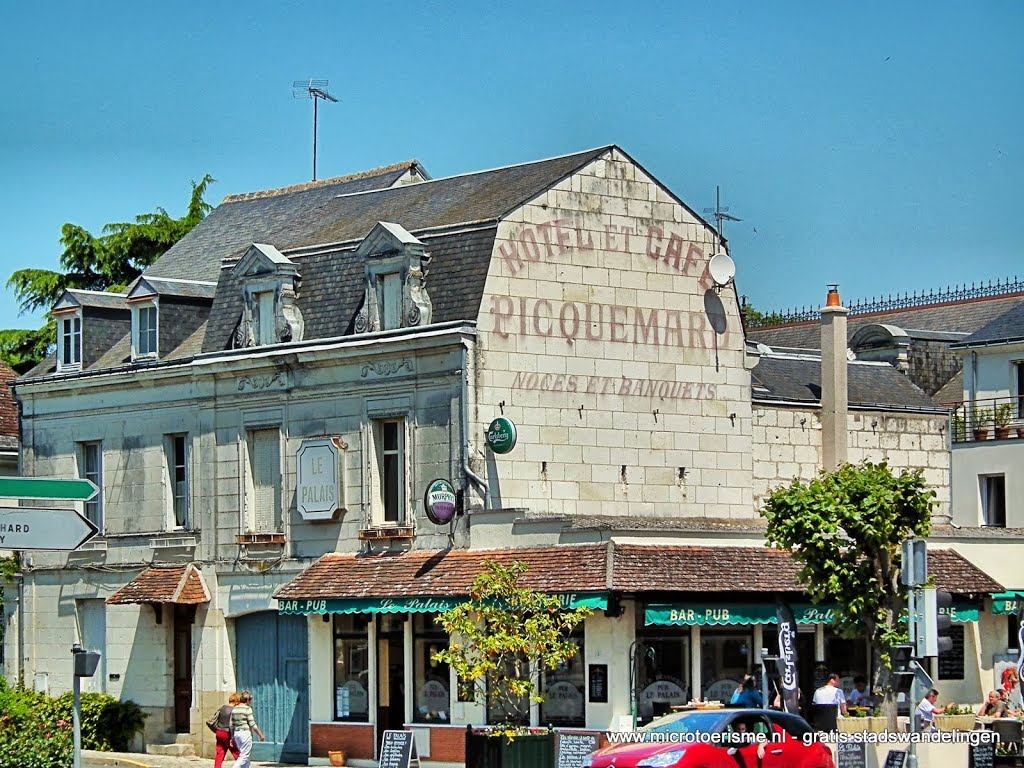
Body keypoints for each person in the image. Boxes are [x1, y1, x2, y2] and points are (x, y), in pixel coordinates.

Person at [230, 690, 265, 768]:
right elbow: (252, 724)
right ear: (247, 700)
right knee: (244, 756)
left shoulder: (235, 709)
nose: (251, 702)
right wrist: (260, 735)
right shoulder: (247, 709)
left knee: (246, 756)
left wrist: (232, 737)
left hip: (237, 734)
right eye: (250, 700)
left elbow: (231, 725)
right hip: (245, 734)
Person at [211, 692, 241, 768]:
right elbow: (232, 725)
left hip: (219, 731)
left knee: (220, 753)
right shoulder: (234, 710)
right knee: (236, 752)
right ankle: (243, 766)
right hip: (227, 733)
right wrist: (233, 737)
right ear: (236, 701)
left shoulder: (222, 708)